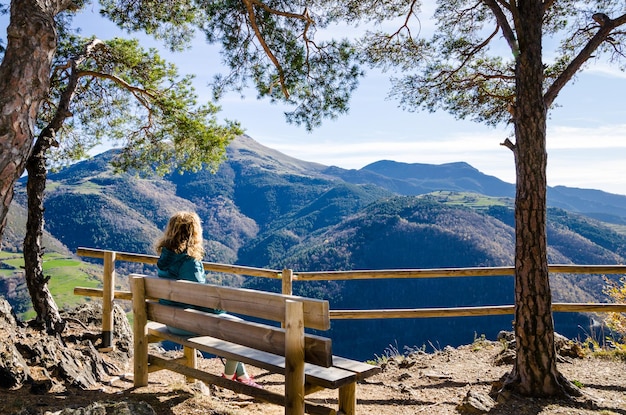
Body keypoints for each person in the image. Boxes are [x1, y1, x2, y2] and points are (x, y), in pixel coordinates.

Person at [155, 211, 261, 388]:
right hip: (187, 323)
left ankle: (242, 377)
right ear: (194, 233)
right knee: (241, 329)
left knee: (233, 326)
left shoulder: (165, 259)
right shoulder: (190, 263)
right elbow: (202, 300)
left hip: (170, 320)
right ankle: (226, 380)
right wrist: (220, 310)